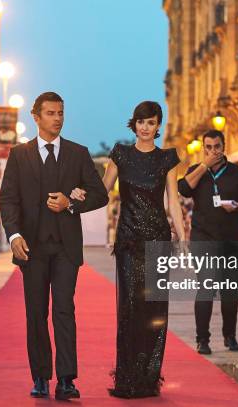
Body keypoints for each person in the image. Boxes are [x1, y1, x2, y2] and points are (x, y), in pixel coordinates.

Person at [0, 92, 108, 400]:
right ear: (36, 117)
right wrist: (13, 235)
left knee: (64, 310)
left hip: (65, 249)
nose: (58, 118)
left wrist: (71, 203)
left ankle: (66, 379)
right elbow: (8, 199)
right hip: (30, 247)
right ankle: (39, 377)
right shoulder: (19, 155)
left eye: (61, 112)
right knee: (35, 313)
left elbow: (100, 194)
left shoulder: (78, 153)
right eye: (51, 113)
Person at [73, 101, 185, 397]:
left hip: (159, 240)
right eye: (141, 122)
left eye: (151, 122)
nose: (146, 127)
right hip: (129, 241)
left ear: (159, 126)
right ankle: (127, 378)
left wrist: (183, 239)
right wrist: (79, 194)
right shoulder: (120, 155)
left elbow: (172, 201)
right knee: (130, 307)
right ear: (133, 124)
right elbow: (103, 191)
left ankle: (149, 377)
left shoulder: (168, 159)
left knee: (155, 309)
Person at [178, 130, 238, 355]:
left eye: (217, 146)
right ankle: (202, 339)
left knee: (230, 291)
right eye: (209, 147)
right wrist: (204, 165)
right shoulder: (196, 170)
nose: (213, 150)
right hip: (203, 239)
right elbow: (183, 189)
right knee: (205, 288)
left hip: (232, 240)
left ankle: (230, 336)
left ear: (224, 146)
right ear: (204, 148)